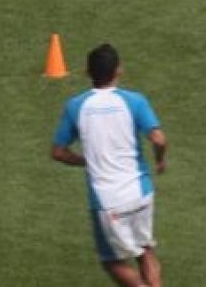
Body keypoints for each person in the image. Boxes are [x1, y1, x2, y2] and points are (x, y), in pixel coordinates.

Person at [52, 42, 167, 287]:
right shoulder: (135, 101)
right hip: (141, 192)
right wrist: (160, 159)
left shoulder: (76, 106)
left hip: (107, 200)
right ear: (119, 70)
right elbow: (159, 138)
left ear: (87, 72)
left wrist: (85, 161)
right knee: (144, 251)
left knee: (111, 261)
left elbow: (58, 152)